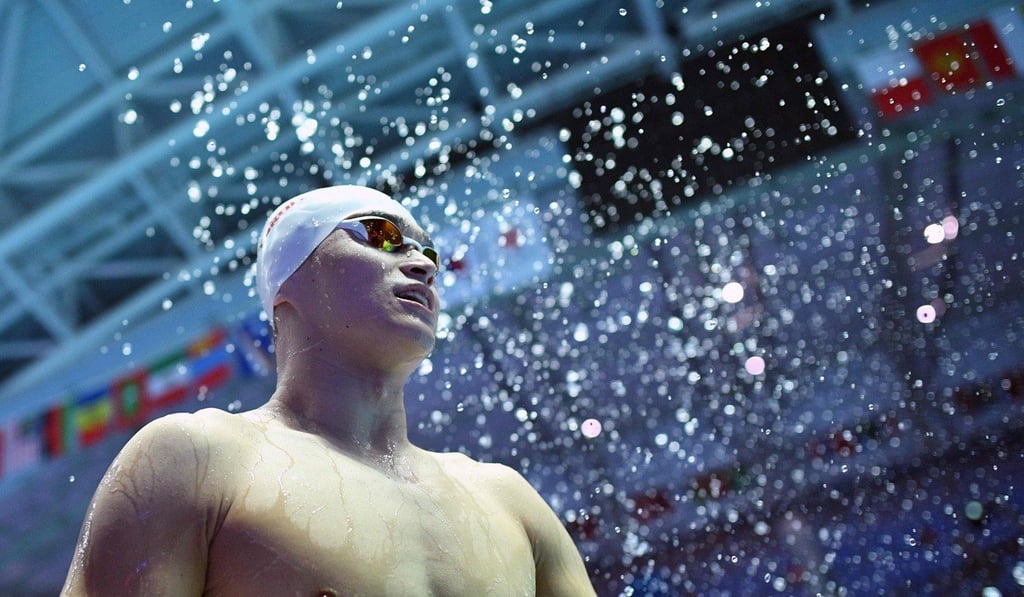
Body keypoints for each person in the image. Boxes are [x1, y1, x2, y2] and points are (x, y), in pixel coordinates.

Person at [61, 185, 596, 596]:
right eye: (381, 235)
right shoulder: (197, 459)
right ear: (289, 282)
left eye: (429, 252)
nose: (423, 264)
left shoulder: (509, 500)